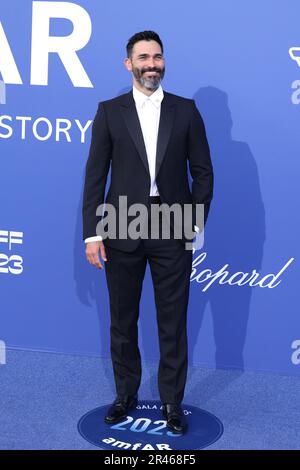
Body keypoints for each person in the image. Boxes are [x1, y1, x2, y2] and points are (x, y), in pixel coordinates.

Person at [82, 30, 213, 434]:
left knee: (172, 321)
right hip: (121, 226)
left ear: (164, 61)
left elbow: (203, 173)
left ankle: (173, 402)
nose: (151, 64)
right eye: (143, 57)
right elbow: (95, 177)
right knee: (122, 319)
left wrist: (193, 222)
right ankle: (125, 395)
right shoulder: (109, 111)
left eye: (157, 57)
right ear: (129, 64)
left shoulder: (186, 110)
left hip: (172, 227)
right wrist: (93, 234)